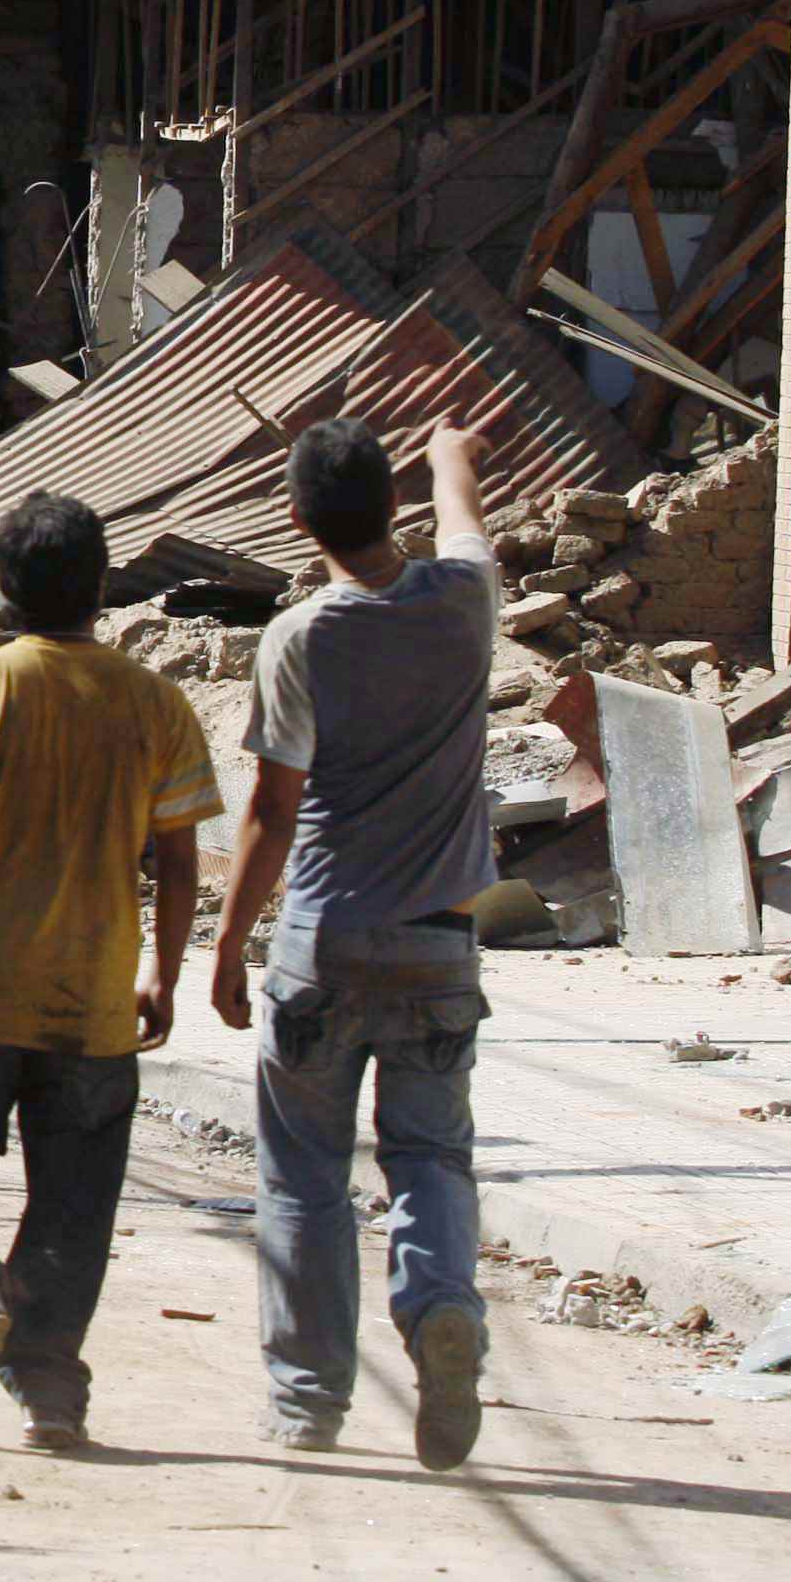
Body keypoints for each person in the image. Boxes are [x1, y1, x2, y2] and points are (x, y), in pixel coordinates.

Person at [0, 490, 219, 1453]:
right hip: (95, 1001)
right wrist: (165, 974)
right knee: (75, 1195)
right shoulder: (155, 704)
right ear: (101, 586)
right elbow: (182, 860)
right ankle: (51, 1389)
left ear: (2, 591)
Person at [208, 414, 501, 1472]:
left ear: (297, 524)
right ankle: (436, 1309)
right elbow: (464, 500)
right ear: (395, 510)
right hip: (438, 949)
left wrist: (228, 940)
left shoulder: (297, 639)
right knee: (428, 1157)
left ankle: (304, 1403)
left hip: (319, 944)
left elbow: (271, 814)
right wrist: (443, 452)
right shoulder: (464, 602)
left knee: (300, 1180)